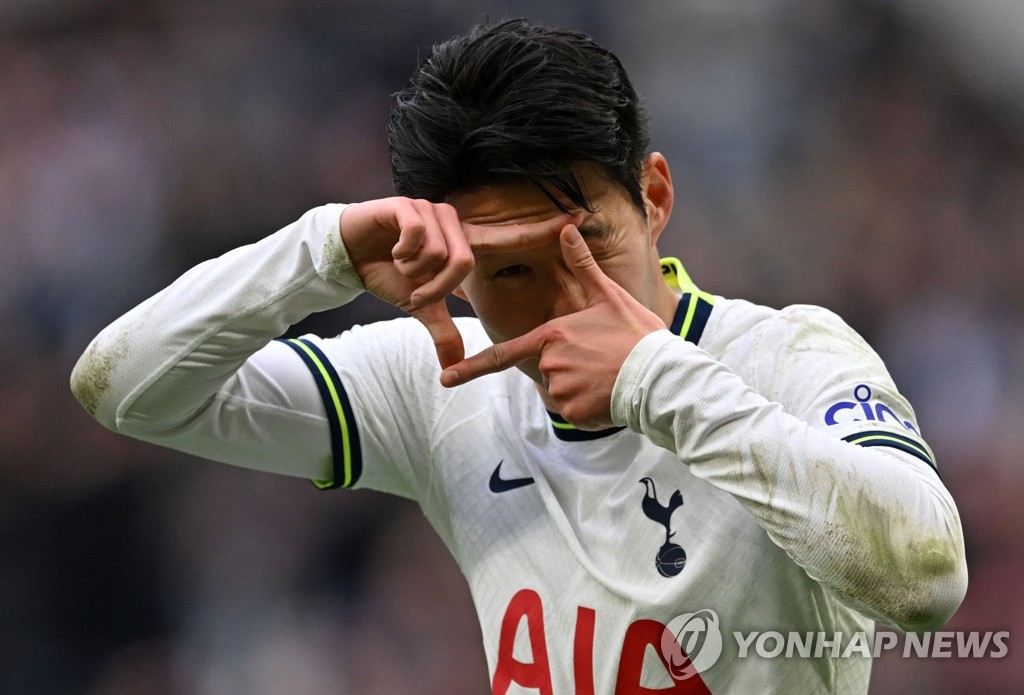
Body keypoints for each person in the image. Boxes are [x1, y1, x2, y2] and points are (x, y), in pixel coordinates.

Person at [71, 18, 967, 694]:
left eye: (589, 245)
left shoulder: (786, 354)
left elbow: (926, 577)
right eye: (508, 270)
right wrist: (322, 251)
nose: (563, 301)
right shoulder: (438, 380)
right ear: (452, 263)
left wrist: (653, 376)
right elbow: (124, 386)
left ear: (655, 197)